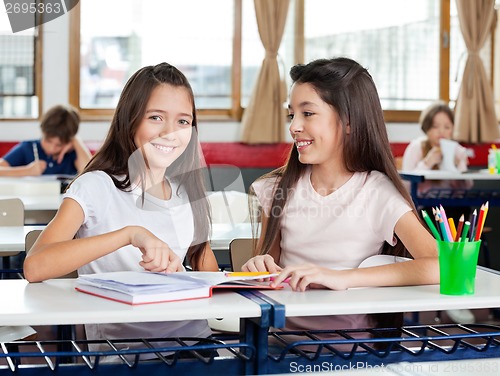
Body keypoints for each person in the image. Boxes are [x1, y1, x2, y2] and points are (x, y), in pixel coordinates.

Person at [23, 62, 219, 359]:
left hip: (193, 345)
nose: (170, 133)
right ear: (131, 121)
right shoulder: (95, 187)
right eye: (156, 117)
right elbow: (35, 267)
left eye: (183, 122)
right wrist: (130, 234)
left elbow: (211, 280)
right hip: (123, 354)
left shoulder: (186, 192)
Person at [242, 57, 439, 338]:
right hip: (281, 344)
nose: (294, 126)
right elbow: (268, 268)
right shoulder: (276, 189)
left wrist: (340, 277)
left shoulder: (376, 191)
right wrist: (258, 266)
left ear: (348, 122)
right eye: (291, 115)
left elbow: (439, 266)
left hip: (353, 350)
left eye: (308, 114)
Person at [402, 101, 475, 325]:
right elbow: (404, 187)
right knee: (443, 214)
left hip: (453, 210)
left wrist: (456, 167)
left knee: (464, 212)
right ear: (426, 128)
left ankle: (457, 285)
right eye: (435, 127)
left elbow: (467, 188)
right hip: (424, 212)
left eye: (447, 127)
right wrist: (428, 162)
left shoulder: (457, 150)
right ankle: (450, 286)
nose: (441, 132)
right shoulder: (417, 147)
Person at [0, 104, 92, 177]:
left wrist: (76, 140)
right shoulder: (28, 148)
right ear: (43, 132)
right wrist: (27, 171)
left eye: (59, 145)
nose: (52, 148)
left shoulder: (73, 152)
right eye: (48, 141)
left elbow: (90, 175)